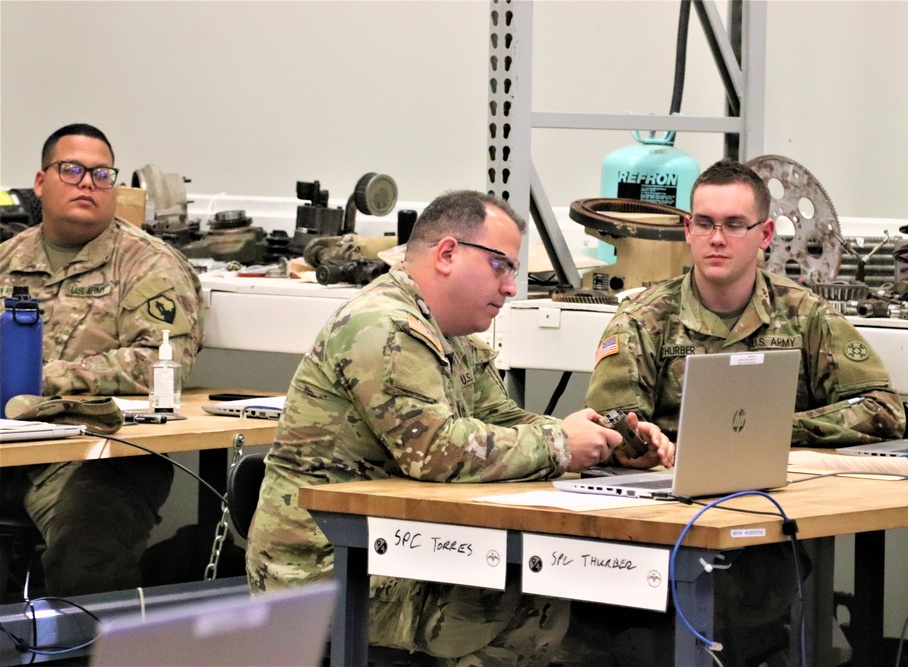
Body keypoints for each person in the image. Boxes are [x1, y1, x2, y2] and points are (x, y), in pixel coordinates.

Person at [246, 190, 672, 666]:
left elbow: (503, 421)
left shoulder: (449, 335)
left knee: (550, 596)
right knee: (520, 605)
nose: (511, 287)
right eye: (501, 266)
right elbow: (437, 451)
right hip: (321, 570)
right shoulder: (383, 326)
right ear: (448, 254)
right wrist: (560, 444)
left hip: (391, 547)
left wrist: (601, 443)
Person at [581, 159, 906, 664]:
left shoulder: (803, 314)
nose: (717, 237)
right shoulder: (643, 318)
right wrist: (641, 441)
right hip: (666, 525)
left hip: (763, 525)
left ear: (765, 234)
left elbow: (883, 408)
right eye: (705, 223)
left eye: (734, 225)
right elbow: (610, 422)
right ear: (687, 231)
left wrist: (775, 433)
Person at [0, 123, 203, 596]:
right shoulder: (7, 259)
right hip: (8, 444)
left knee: (88, 543)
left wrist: (40, 381)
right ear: (40, 182)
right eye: (71, 170)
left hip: (94, 451)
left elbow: (158, 363)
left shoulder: (147, 264)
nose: (87, 182)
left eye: (101, 173)